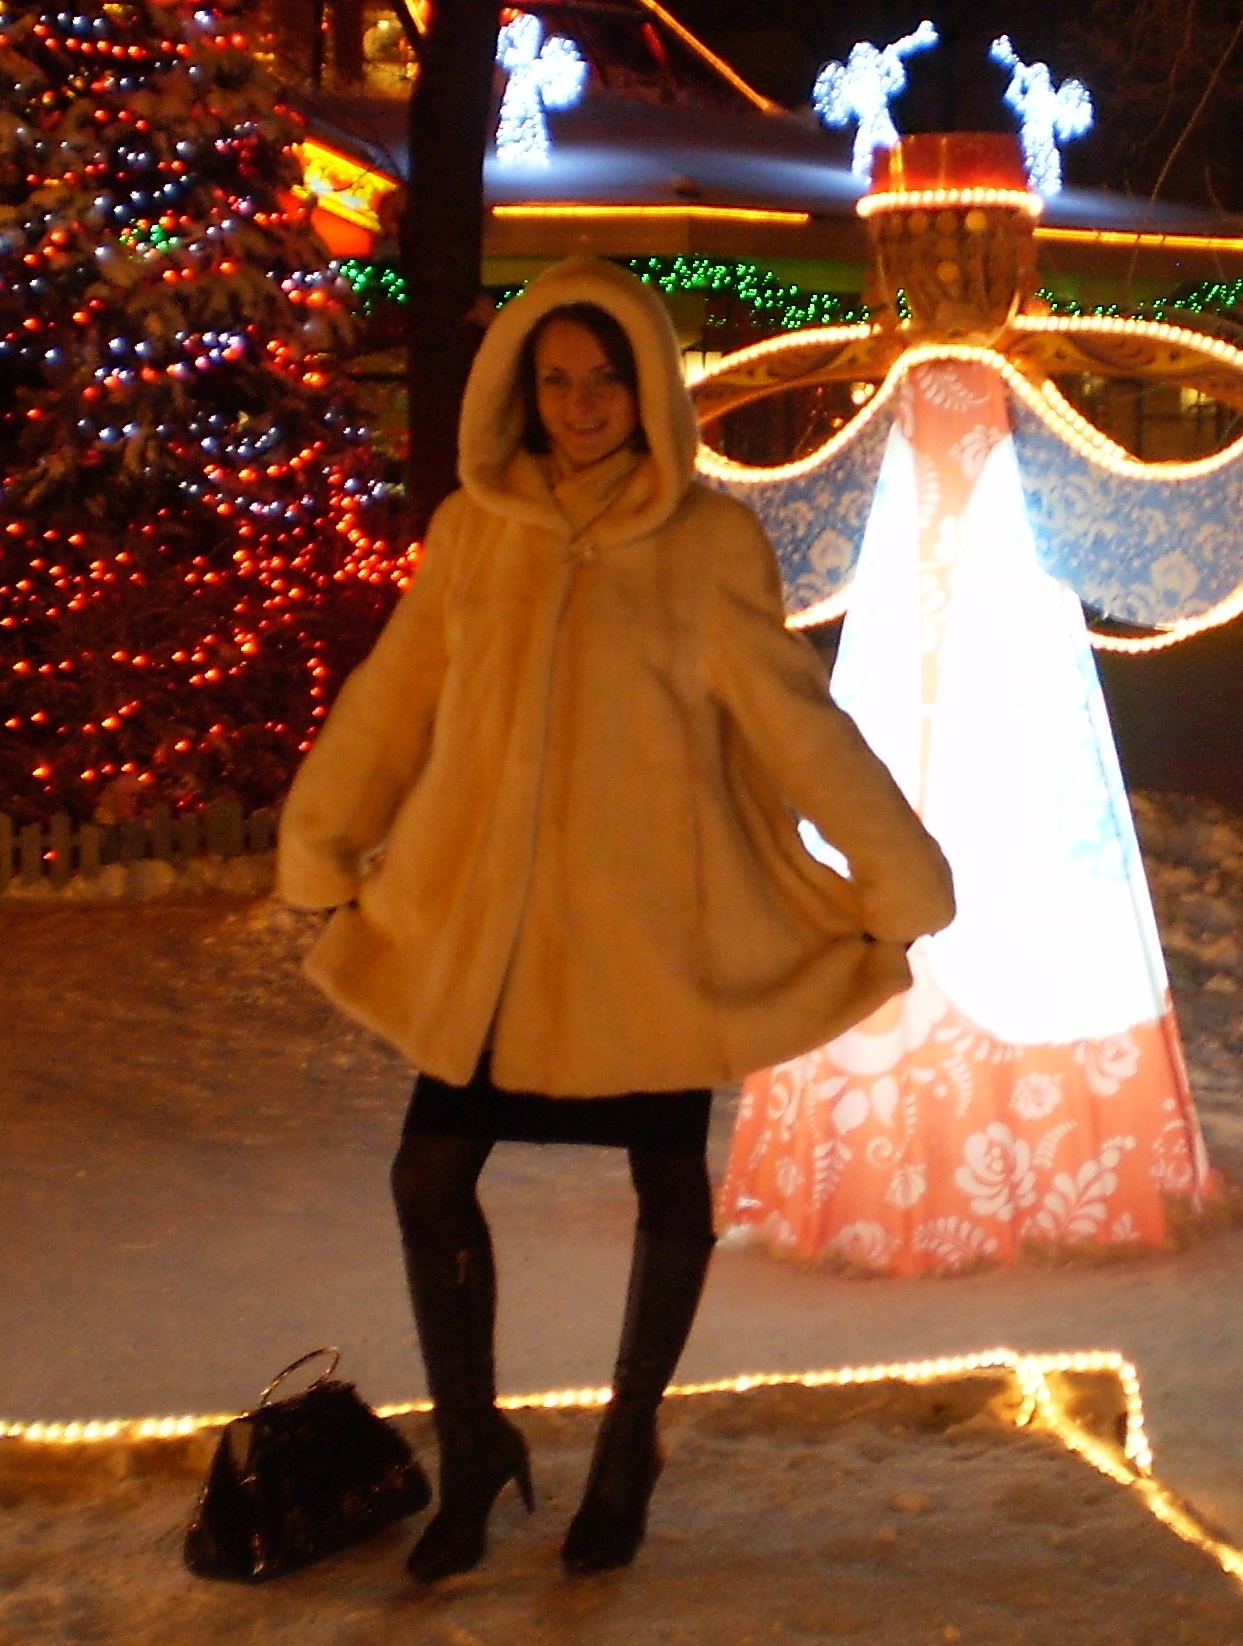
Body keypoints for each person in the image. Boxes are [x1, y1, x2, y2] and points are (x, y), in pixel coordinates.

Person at [277, 256, 955, 1580]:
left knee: (665, 1182)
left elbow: (794, 726)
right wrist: (324, 836)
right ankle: (472, 1447)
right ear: (521, 393)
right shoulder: (478, 530)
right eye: (555, 380)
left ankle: (629, 1441)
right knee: (428, 1172)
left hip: (649, 936)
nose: (580, 404)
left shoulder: (705, 544)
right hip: (494, 936)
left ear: (647, 390)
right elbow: (394, 695)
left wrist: (894, 873)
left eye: (603, 380)